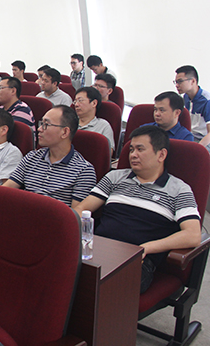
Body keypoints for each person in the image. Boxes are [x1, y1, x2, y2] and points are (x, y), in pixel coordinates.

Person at [75, 126, 201, 293]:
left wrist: (147, 248)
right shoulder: (115, 177)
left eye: (140, 149)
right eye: (131, 149)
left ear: (161, 155)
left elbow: (193, 235)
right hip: (98, 250)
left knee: (100, 289)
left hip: (137, 261)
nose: (133, 155)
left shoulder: (179, 189)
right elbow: (82, 208)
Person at [3, 105, 97, 207]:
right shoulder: (31, 157)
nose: (39, 129)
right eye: (41, 123)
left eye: (46, 125)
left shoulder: (84, 170)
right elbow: (5, 190)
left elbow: (75, 214)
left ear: (65, 132)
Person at [174, 65, 210, 147]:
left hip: (204, 140)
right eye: (176, 82)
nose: (177, 85)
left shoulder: (207, 101)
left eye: (180, 81)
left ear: (193, 81)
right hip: (191, 136)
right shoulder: (186, 97)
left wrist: (196, 148)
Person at [74, 86, 115, 154]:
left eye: (80, 100)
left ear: (94, 103)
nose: (76, 104)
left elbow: (107, 154)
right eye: (75, 101)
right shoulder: (69, 122)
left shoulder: (103, 126)